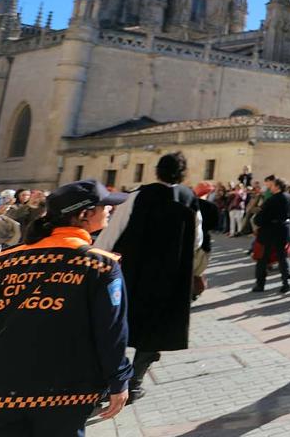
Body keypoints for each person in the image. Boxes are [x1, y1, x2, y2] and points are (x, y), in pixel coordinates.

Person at [0, 180, 132, 436]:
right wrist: (119, 380)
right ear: (84, 214)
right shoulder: (101, 266)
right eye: (105, 206)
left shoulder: (4, 263)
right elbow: (111, 332)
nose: (109, 211)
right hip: (66, 394)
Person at [95, 151, 201, 403]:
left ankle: (110, 381)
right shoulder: (189, 198)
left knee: (119, 324)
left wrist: (97, 257)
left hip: (134, 272)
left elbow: (112, 232)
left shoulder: (138, 196)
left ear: (157, 171)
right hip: (170, 277)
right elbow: (196, 240)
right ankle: (135, 383)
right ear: (183, 174)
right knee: (155, 330)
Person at [252, 176, 290, 293]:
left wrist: (257, 222)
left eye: (273, 185)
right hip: (284, 230)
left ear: (277, 186)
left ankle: (260, 284)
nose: (270, 187)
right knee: (283, 257)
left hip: (270, 232)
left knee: (262, 259)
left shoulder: (272, 200)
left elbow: (261, 217)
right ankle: (286, 282)